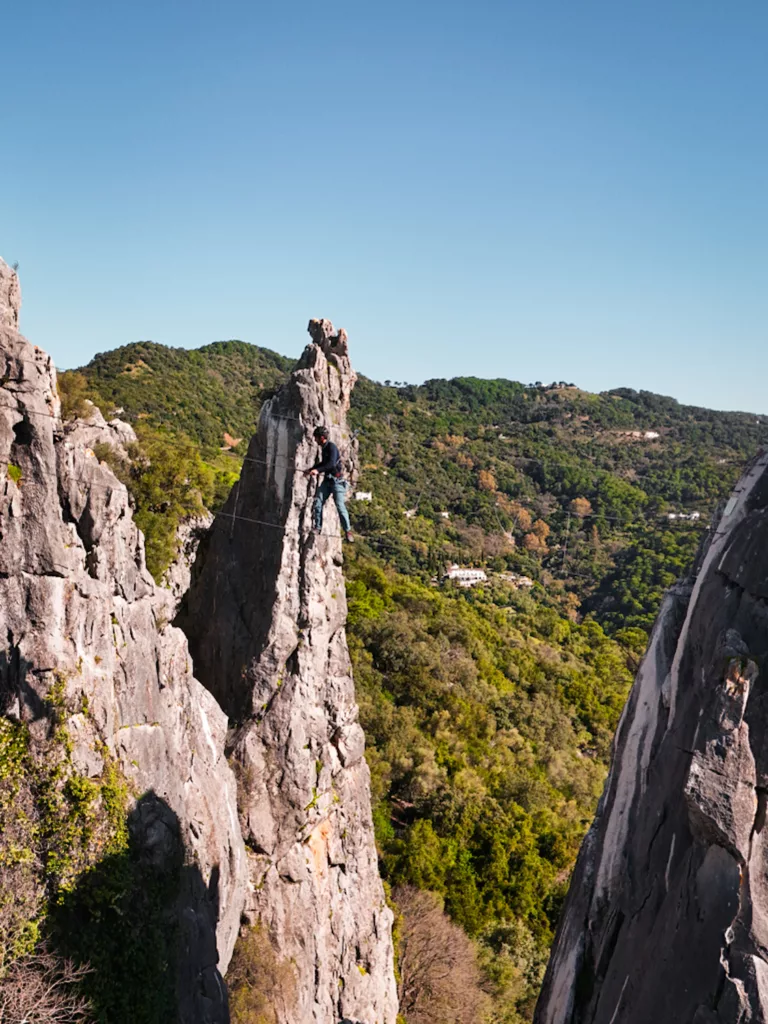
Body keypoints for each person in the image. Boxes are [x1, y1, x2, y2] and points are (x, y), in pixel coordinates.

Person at [304, 425, 354, 542]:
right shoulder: (325, 448)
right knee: (318, 501)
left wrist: (317, 470)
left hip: (337, 482)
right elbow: (324, 463)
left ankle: (348, 531)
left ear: (322, 438)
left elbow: (331, 464)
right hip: (328, 481)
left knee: (340, 506)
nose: (315, 440)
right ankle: (318, 527)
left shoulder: (331, 447)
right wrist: (312, 468)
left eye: (316, 438)